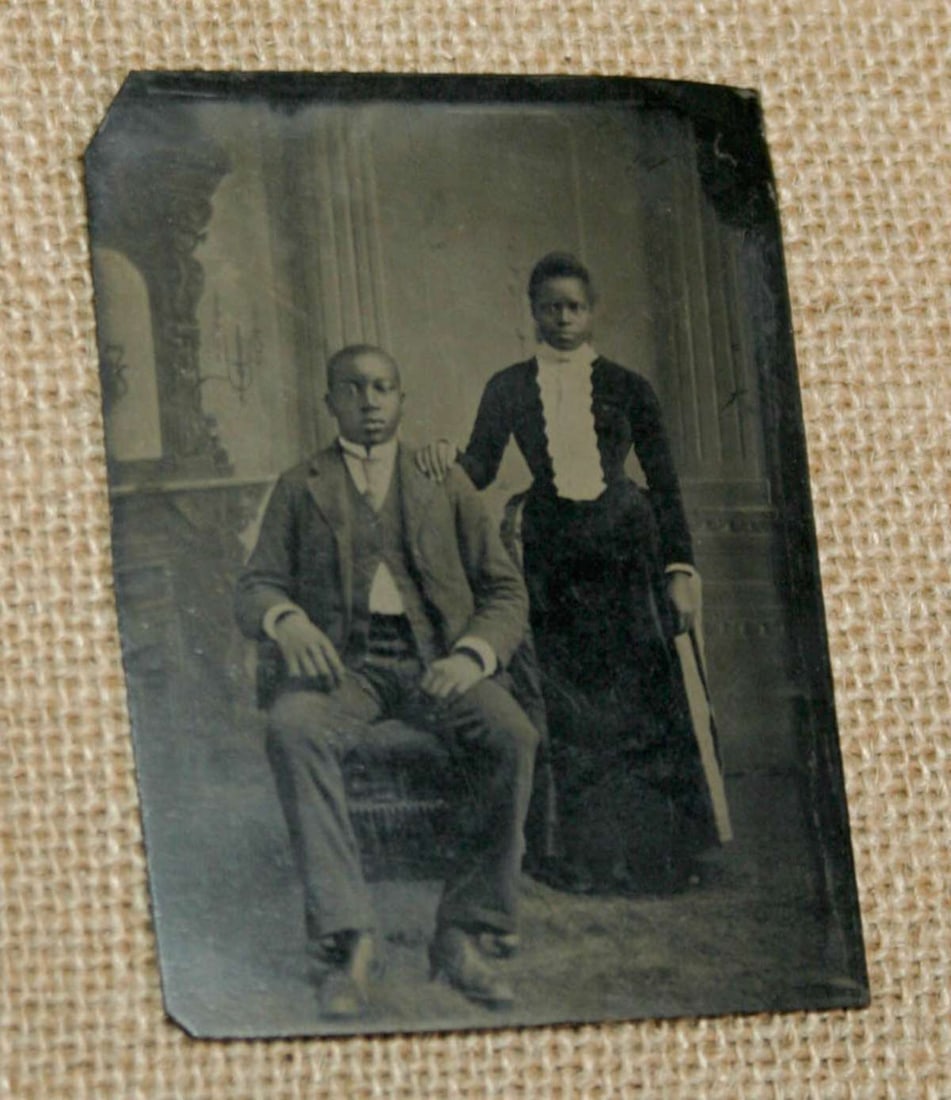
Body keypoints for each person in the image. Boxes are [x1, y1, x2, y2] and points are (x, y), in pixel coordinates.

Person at [235, 344, 539, 1020]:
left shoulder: (444, 480)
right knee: (292, 729)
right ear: (330, 403)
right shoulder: (299, 484)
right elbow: (255, 585)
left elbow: (503, 590)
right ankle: (348, 939)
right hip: (345, 669)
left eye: (382, 388)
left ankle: (463, 932)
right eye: (353, 389)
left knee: (511, 734)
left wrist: (470, 657)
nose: (369, 402)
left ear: (402, 399)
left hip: (439, 662)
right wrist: (286, 622)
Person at [416, 252, 723, 894]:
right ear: (532, 312)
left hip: (628, 554)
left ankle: (661, 856)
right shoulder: (507, 387)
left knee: (642, 708)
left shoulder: (630, 386)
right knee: (575, 712)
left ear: (592, 311)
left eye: (575, 306)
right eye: (551, 307)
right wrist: (443, 458)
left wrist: (679, 568)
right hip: (554, 559)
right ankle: (582, 855)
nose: (563, 318)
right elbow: (478, 467)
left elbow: (664, 484)